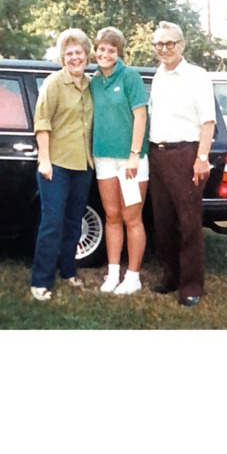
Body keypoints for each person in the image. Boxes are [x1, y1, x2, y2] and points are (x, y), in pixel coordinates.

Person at [148, 21, 216, 306]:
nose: (164, 49)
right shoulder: (158, 76)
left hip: (186, 156)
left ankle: (190, 286)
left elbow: (207, 121)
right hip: (158, 155)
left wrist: (201, 159)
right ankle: (171, 276)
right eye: (159, 44)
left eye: (169, 43)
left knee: (188, 223)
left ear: (182, 45)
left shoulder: (197, 76)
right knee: (162, 223)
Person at [30, 29, 94, 301]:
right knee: (52, 223)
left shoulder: (92, 85)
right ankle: (41, 280)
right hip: (55, 164)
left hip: (83, 165)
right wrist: (44, 159)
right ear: (62, 57)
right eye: (68, 53)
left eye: (78, 52)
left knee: (73, 223)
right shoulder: (53, 83)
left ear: (86, 55)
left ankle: (68, 272)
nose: (74, 57)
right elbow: (42, 122)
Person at [89, 27, 149, 295]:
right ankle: (113, 274)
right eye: (101, 48)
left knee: (131, 217)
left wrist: (134, 155)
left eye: (111, 50)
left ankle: (133, 276)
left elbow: (141, 116)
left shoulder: (130, 77)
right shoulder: (93, 82)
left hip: (130, 162)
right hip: (103, 160)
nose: (105, 53)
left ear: (119, 53)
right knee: (111, 217)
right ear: (96, 50)